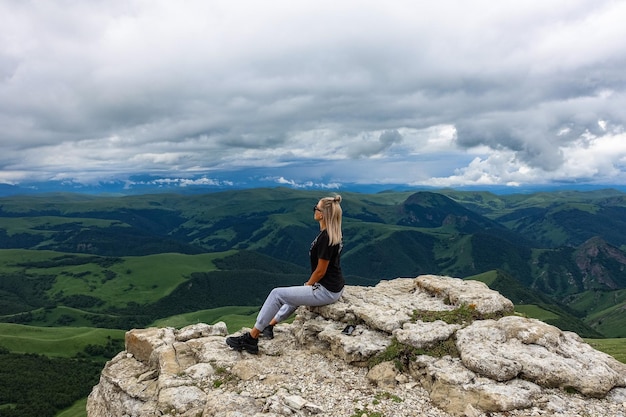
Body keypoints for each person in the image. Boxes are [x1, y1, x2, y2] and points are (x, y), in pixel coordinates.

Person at [226, 195, 345, 354]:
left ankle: (251, 338)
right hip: (334, 286)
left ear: (322, 214)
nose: (314, 211)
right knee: (294, 295)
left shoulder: (326, 238)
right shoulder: (332, 234)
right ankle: (269, 325)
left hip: (326, 290)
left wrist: (309, 285)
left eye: (316, 208)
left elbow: (321, 270)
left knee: (277, 294)